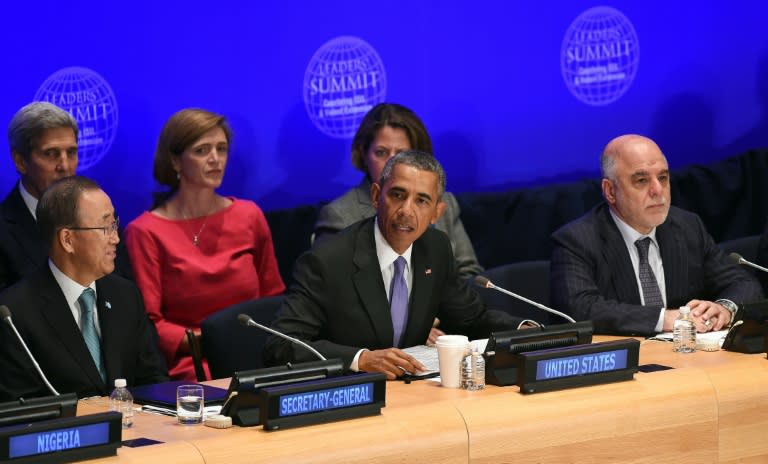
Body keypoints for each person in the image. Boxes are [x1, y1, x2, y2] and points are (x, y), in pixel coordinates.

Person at [264, 151, 531, 380]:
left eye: (421, 200)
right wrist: (360, 358)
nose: (406, 210)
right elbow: (281, 343)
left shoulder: (435, 249)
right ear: (376, 195)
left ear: (437, 212)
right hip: (349, 394)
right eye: (397, 195)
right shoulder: (328, 261)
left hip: (411, 394)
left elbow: (471, 318)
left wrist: (523, 331)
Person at [125, 108, 285, 380]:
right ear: (175, 161)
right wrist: (215, 342)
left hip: (258, 358)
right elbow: (150, 324)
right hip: (193, 368)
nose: (215, 159)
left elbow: (274, 298)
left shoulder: (248, 215)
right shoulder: (145, 232)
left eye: (221, 149)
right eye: (202, 151)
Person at [550, 134, 762, 336]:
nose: (658, 190)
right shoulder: (577, 240)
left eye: (663, 178)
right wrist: (665, 319)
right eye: (641, 180)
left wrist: (723, 309)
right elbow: (580, 309)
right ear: (610, 191)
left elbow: (744, 284)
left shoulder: (688, 227)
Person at [0, 176, 167, 401]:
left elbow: (154, 380)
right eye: (105, 227)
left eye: (114, 224)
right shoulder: (15, 314)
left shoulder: (126, 296)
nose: (116, 238)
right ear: (67, 239)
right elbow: (20, 407)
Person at [313, 103, 482, 280]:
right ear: (364, 153)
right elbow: (329, 290)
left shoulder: (444, 203)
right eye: (381, 152)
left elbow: (470, 275)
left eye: (402, 154)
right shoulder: (339, 216)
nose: (391, 163)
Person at [0, 102, 132, 290]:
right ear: (21, 161)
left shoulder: (103, 214)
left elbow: (125, 290)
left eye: (71, 152)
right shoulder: (4, 230)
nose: (65, 166)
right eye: (51, 154)